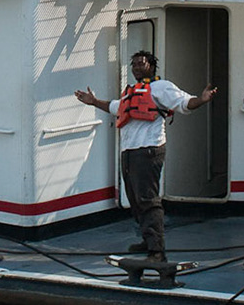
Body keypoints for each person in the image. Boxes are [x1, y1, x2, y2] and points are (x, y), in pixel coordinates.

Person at [74, 50, 217, 263]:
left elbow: (185, 103)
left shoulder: (162, 87)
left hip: (149, 150)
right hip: (130, 152)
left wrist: (202, 100)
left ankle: (157, 252)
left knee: (148, 201)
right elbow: (115, 107)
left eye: (141, 64)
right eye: (134, 65)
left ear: (151, 65)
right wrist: (94, 101)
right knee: (135, 199)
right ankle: (148, 240)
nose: (137, 68)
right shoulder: (130, 92)